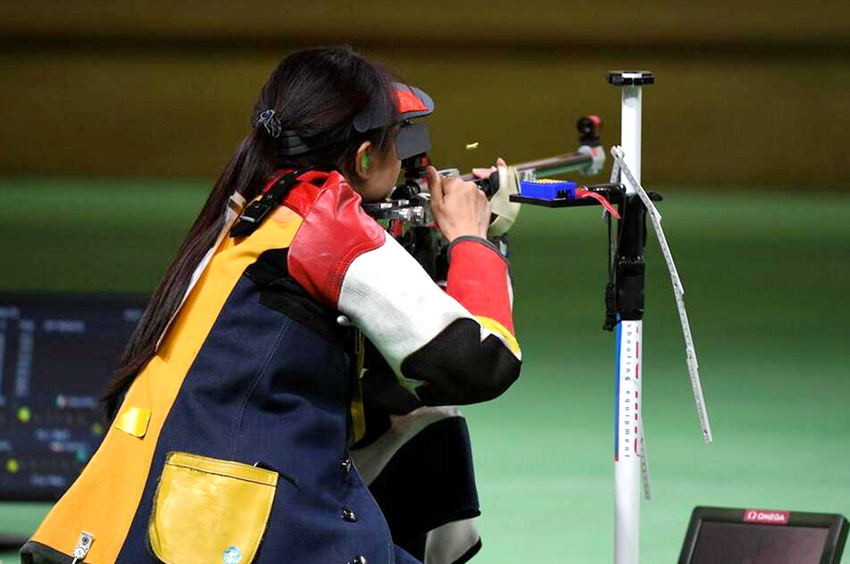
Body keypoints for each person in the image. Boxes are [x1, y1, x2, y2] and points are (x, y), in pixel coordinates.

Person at [21, 46, 520, 564]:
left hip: (132, 528)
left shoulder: (252, 206)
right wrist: (475, 242)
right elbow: (478, 362)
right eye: (404, 144)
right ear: (366, 155)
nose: (414, 162)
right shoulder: (326, 220)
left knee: (424, 429)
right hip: (221, 528)